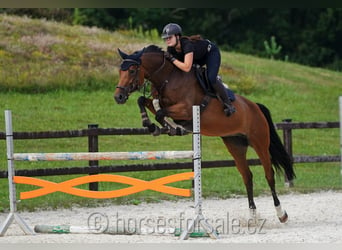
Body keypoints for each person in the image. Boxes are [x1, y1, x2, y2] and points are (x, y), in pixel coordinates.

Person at [161, 23, 236, 116]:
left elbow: (186, 67)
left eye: (170, 37)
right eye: (166, 38)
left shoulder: (187, 45)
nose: (167, 40)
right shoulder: (171, 49)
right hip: (197, 58)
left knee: (211, 78)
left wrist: (172, 59)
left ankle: (228, 104)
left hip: (210, 53)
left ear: (177, 36)